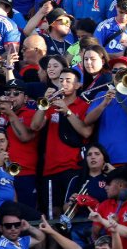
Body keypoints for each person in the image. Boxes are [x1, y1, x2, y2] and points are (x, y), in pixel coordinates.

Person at [84, 57, 127, 196]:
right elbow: (87, 120)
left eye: (122, 70)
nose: (117, 73)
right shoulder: (102, 95)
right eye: (114, 70)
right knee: (111, 202)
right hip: (109, 158)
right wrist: (104, 103)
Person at [31, 68, 92, 217]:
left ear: (78, 85)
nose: (63, 83)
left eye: (68, 80)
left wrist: (67, 111)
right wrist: (43, 105)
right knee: (53, 214)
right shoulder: (51, 106)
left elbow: (86, 132)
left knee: (70, 211)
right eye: (61, 80)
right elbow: (34, 126)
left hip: (73, 167)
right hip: (50, 168)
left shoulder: (84, 106)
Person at [0, 79, 38, 209]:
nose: (11, 96)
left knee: (27, 213)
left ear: (25, 98)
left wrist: (10, 113)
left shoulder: (32, 114)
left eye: (16, 93)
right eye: (8, 93)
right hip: (0, 174)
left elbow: (24, 136)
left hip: (24, 173)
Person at [64, 143, 113, 246]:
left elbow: (125, 186)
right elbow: (65, 208)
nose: (93, 157)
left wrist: (112, 171)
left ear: (104, 159)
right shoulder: (76, 180)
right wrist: (72, 203)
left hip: (103, 228)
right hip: (79, 228)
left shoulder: (110, 180)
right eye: (89, 155)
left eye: (97, 154)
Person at [90, 167, 127, 249]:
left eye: (109, 184)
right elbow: (94, 233)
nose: (105, 188)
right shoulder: (104, 205)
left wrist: (118, 226)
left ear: (120, 186)